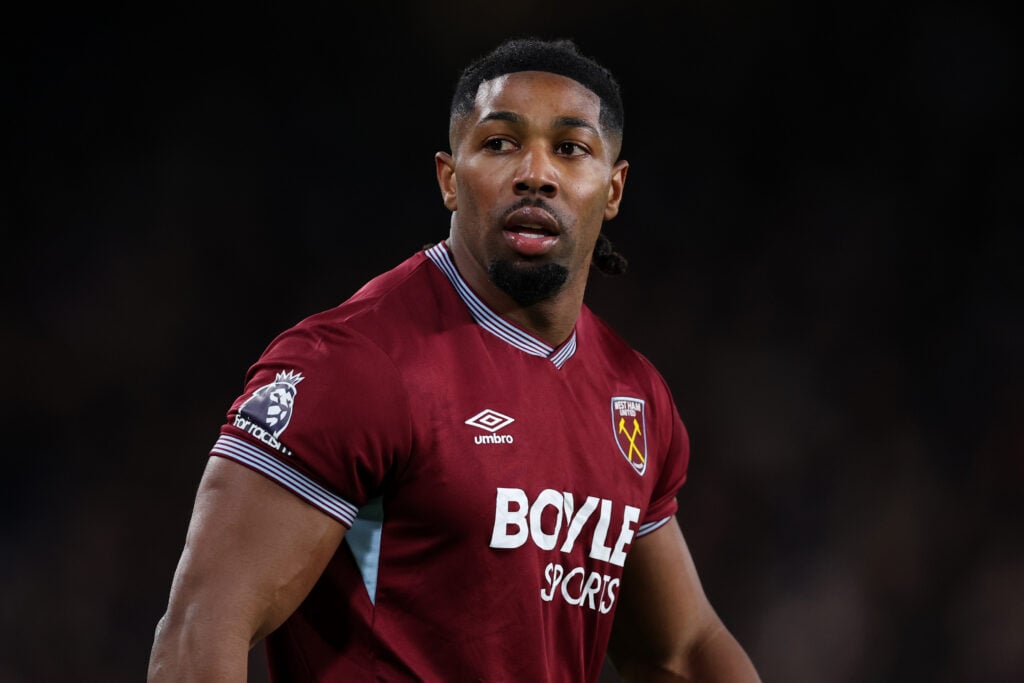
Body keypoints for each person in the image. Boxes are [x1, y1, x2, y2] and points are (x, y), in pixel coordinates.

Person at [148, 38, 761, 682]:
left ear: (613, 189)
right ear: (449, 178)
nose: (535, 173)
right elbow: (201, 628)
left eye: (570, 148)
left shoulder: (633, 396)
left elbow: (681, 651)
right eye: (499, 143)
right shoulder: (354, 364)